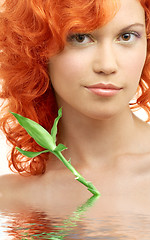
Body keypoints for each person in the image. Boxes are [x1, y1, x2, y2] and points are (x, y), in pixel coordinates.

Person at [0, 0, 150, 203]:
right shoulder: (10, 199)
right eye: (80, 37)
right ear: (36, 48)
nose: (107, 65)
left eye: (126, 36)